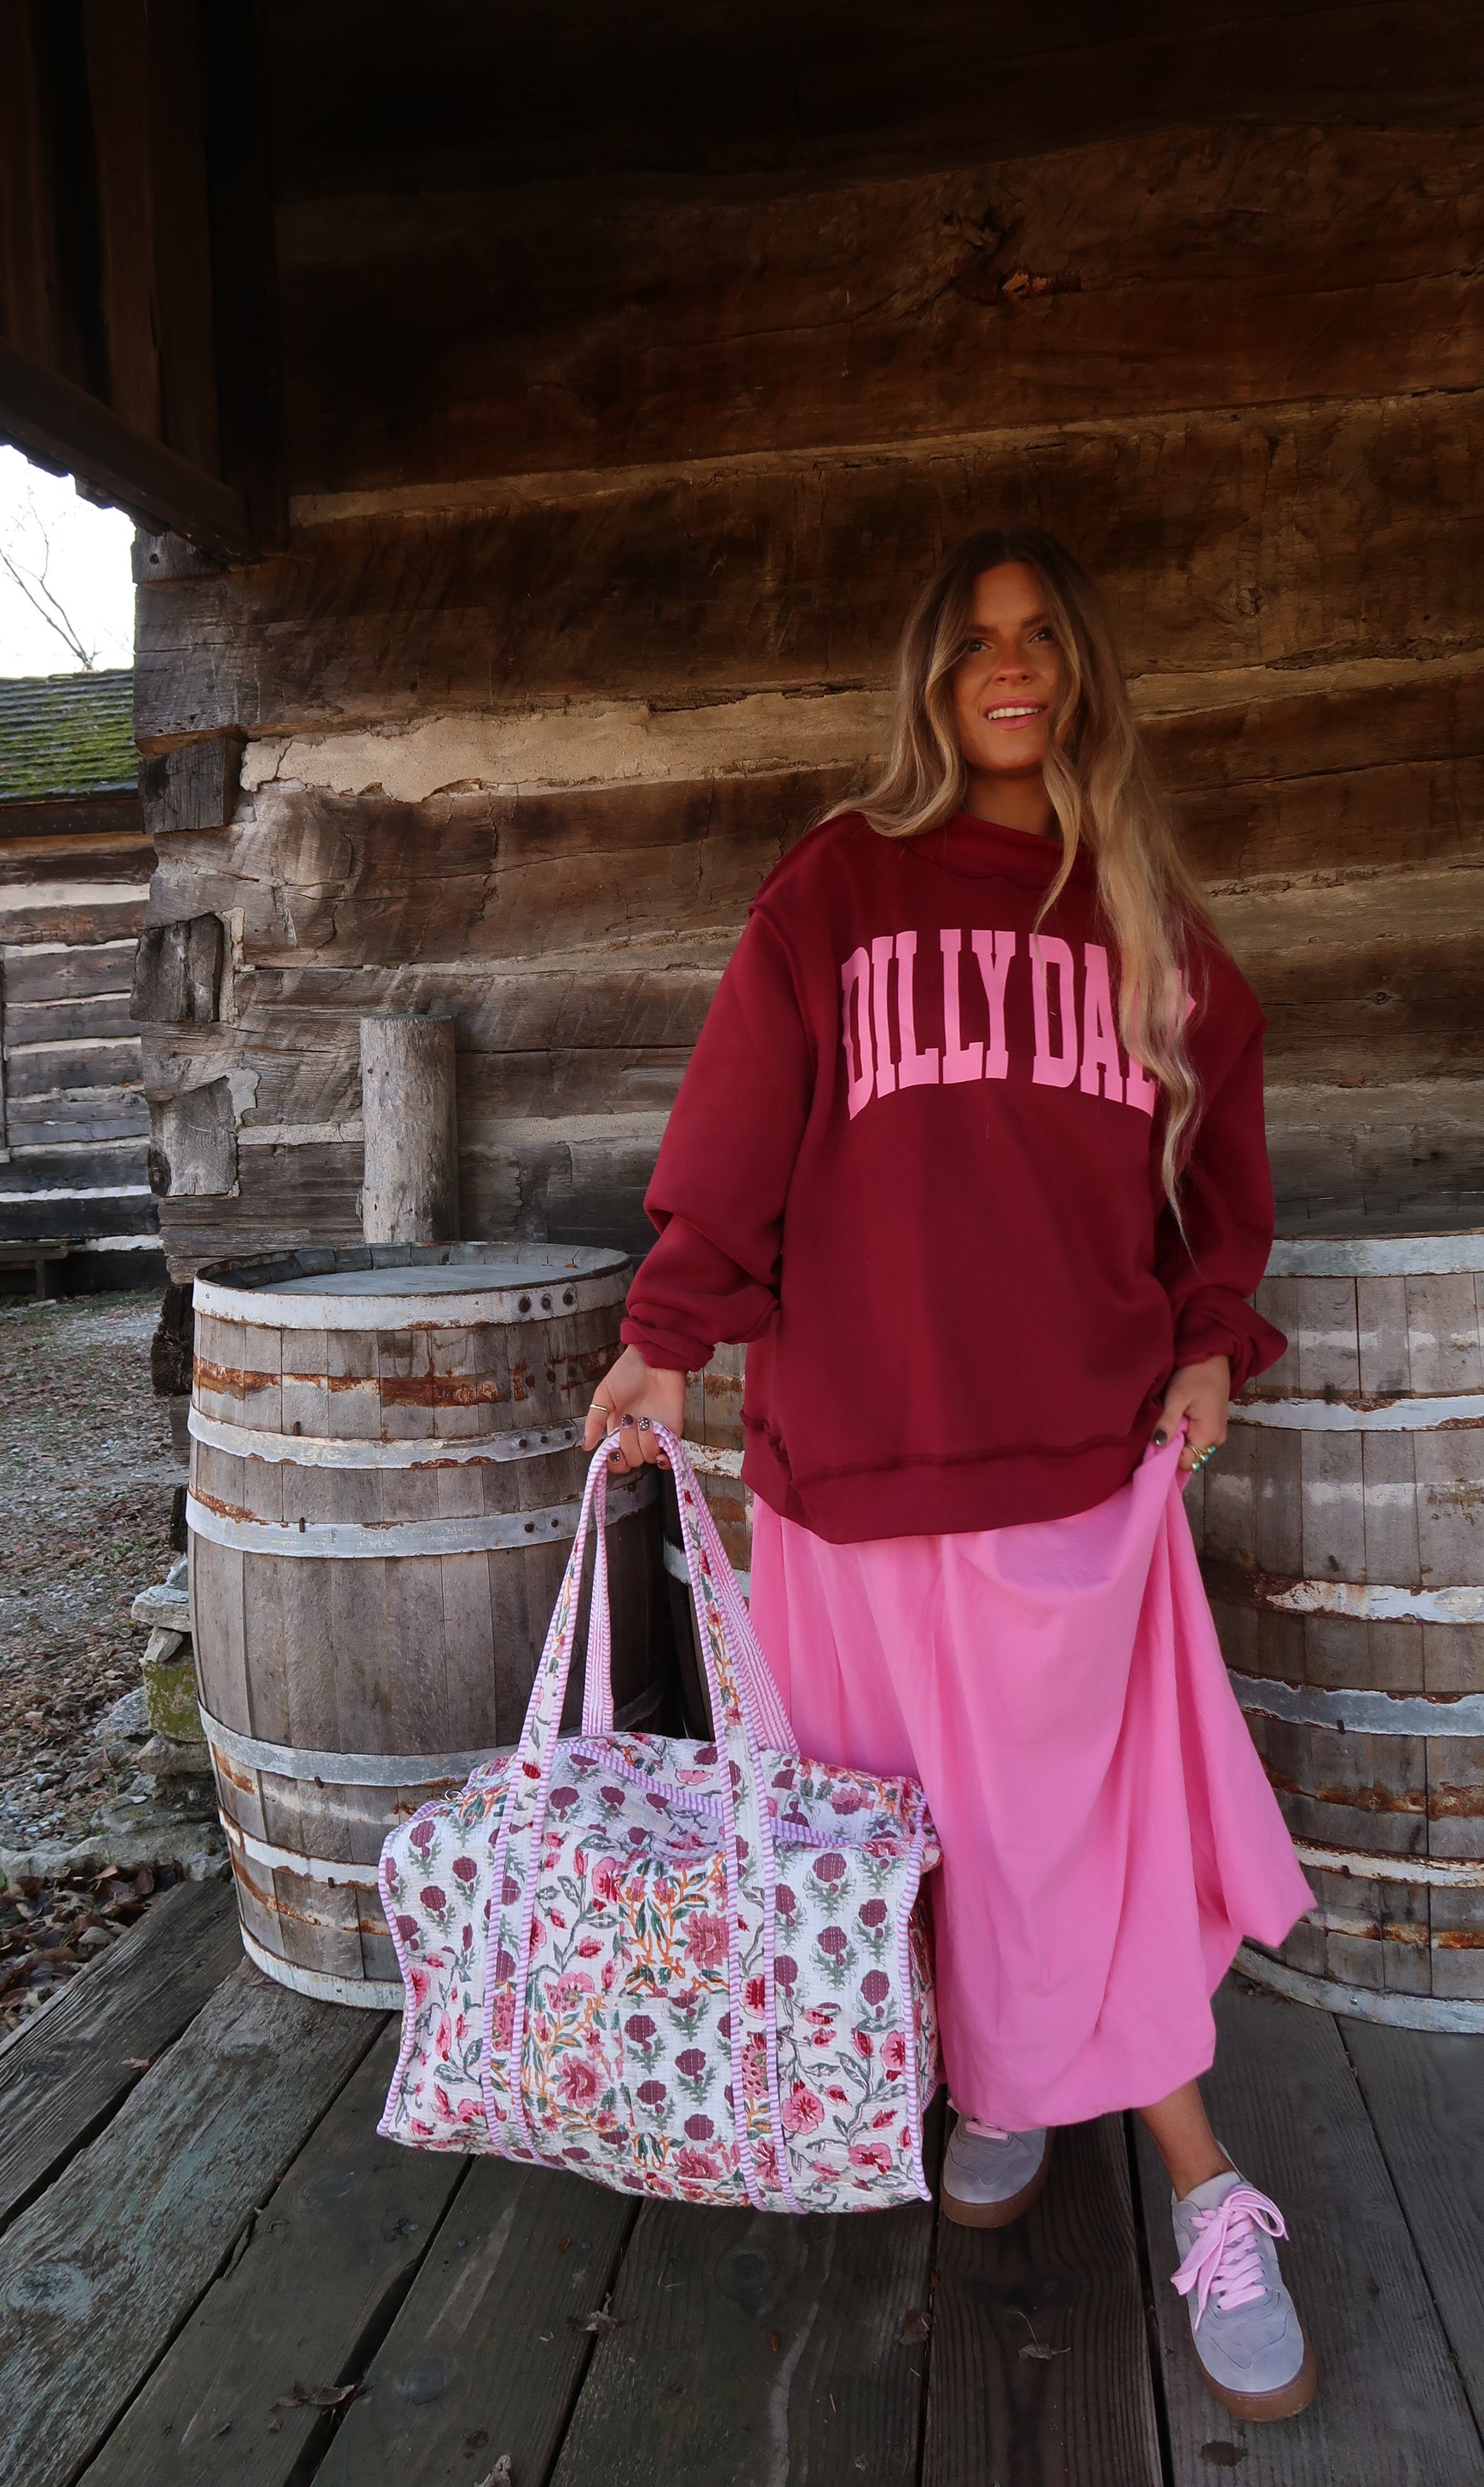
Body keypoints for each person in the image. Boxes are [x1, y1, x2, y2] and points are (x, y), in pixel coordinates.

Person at [584, 527, 1319, 2423]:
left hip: (1069, 1455)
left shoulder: (1140, 912)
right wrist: (668, 1329)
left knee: (1073, 1830)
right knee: (897, 1828)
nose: (1010, 664)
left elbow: (1218, 1158)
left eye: (1042, 636)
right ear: (931, 676)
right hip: (847, 1461)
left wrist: (1206, 1337)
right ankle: (999, 2080)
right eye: (978, 639)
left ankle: (1201, 2182)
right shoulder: (835, 887)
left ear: (1077, 674)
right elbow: (735, 1133)